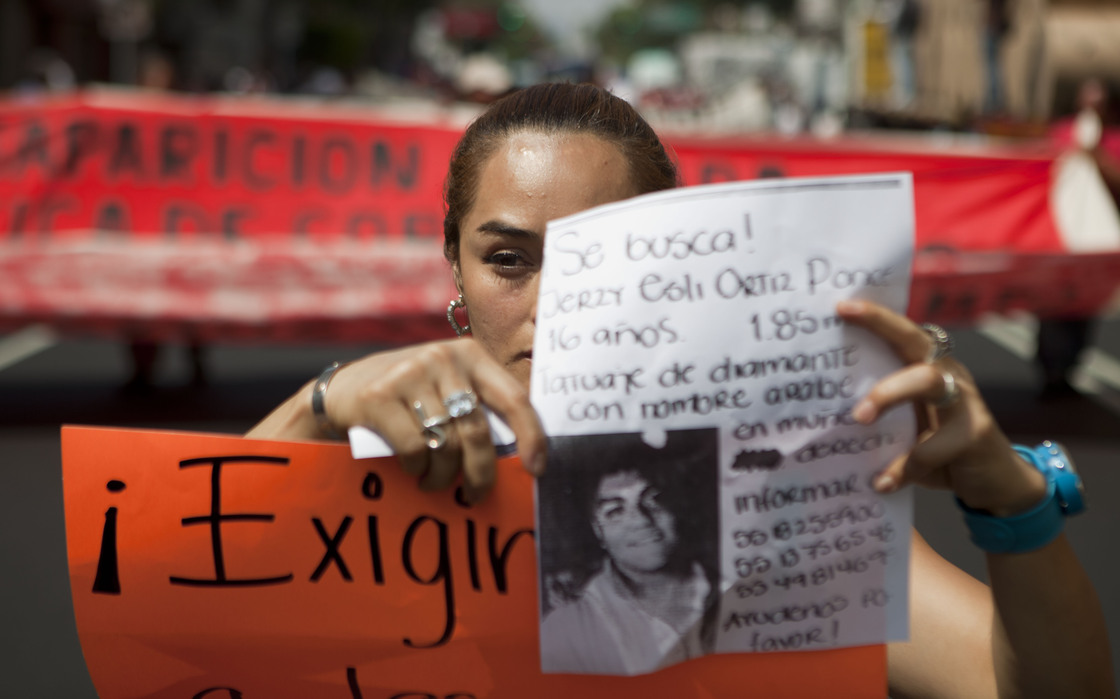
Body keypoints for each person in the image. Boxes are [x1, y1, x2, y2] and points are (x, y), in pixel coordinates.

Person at [248, 82, 1114, 696]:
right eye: (509, 259)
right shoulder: (377, 465)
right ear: (457, 268)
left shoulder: (765, 498)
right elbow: (161, 594)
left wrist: (1011, 497)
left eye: (601, 255)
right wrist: (317, 405)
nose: (552, 303)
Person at [537, 430, 719, 675]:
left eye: (653, 498)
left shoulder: (735, 583)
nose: (641, 519)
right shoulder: (566, 629)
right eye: (615, 511)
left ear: (676, 504)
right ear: (597, 530)